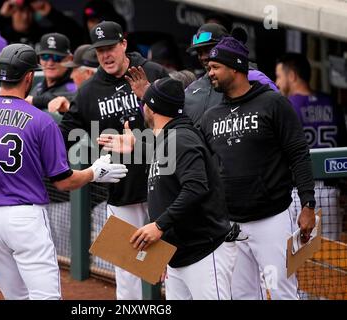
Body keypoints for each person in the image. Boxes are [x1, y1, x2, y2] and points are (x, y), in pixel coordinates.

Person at [0, 43, 128, 300]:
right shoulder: (41, 120)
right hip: (25, 219)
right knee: (45, 297)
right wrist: (94, 172)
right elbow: (63, 183)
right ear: (29, 77)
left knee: (17, 298)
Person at [198, 37, 316, 300]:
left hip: (272, 219)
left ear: (236, 68)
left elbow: (299, 154)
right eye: (209, 68)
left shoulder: (273, 104)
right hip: (231, 224)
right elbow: (198, 163)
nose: (210, 73)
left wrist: (308, 204)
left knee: (282, 292)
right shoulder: (211, 117)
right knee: (241, 295)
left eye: (216, 67)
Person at [99, 77, 236, 299]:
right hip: (178, 256)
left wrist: (160, 226)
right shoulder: (167, 139)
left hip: (203, 252)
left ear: (151, 108)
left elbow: (196, 188)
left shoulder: (181, 138)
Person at [60, 20, 168, 300]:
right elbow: (66, 129)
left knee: (175, 269)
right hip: (123, 191)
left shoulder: (153, 72)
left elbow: (181, 120)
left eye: (110, 48)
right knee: (127, 273)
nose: (105, 55)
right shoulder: (89, 91)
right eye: (99, 51)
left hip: (166, 184)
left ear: (124, 44)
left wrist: (147, 110)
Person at [276, 52, 347, 240]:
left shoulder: (287, 105)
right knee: (330, 257)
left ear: (292, 76)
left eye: (279, 76)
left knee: (299, 260)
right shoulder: (331, 103)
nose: (277, 83)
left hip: (300, 191)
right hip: (331, 189)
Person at [184, 23, 278, 126]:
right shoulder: (192, 89)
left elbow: (283, 117)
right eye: (199, 53)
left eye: (208, 50)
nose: (203, 57)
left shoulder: (254, 77)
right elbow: (169, 124)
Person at [25, 33, 76, 110]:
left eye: (57, 57)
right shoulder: (37, 88)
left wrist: (35, 101)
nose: (50, 63)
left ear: (70, 59)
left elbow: (73, 100)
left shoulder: (77, 86)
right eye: (45, 57)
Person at [48, 43, 99, 114]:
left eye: (74, 70)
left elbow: (95, 124)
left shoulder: (100, 99)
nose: (71, 76)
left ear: (88, 73)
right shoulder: (87, 96)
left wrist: (72, 111)